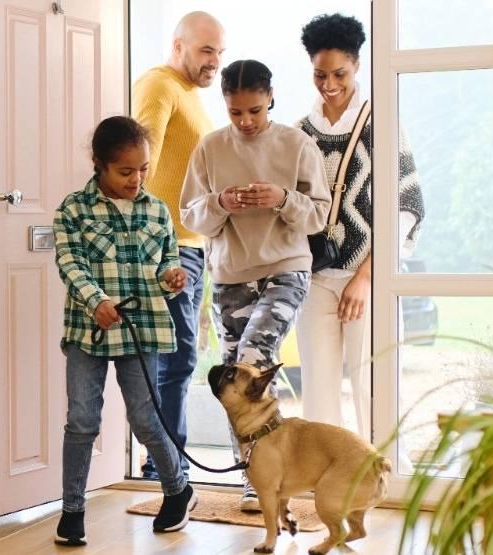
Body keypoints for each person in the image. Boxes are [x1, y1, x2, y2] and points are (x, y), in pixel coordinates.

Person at [180, 59, 330, 512]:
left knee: (250, 360)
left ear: (271, 100)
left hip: (286, 266)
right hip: (230, 274)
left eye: (255, 111)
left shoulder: (296, 144)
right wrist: (221, 202)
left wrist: (283, 199)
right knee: (234, 377)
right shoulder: (209, 148)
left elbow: (320, 214)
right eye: (236, 113)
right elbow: (190, 214)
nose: (245, 121)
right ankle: (257, 477)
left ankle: (270, 472)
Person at [52, 116, 197, 546]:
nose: (137, 180)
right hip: (89, 329)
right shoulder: (73, 210)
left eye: (143, 170)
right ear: (100, 165)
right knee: (82, 419)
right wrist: (96, 300)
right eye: (126, 171)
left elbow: (166, 261)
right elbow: (70, 263)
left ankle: (178, 489)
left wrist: (172, 276)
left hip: (142, 328)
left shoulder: (156, 210)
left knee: (144, 417)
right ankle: (72, 509)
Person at [294, 14, 426, 440]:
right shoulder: (299, 133)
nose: (329, 84)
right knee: (317, 391)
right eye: (320, 74)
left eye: (340, 74)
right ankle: (322, 480)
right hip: (315, 280)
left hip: (367, 277)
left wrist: (367, 276)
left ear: (357, 66)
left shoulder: (381, 123)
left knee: (372, 387)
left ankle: (379, 477)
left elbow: (407, 204)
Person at [130, 10, 224, 481]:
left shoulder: (190, 95)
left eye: (220, 53)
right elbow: (138, 161)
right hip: (167, 247)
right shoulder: (159, 85)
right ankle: (165, 464)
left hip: (192, 245)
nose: (215, 61)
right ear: (179, 44)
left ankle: (168, 461)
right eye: (207, 50)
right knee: (176, 355)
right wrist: (151, 240)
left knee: (179, 356)